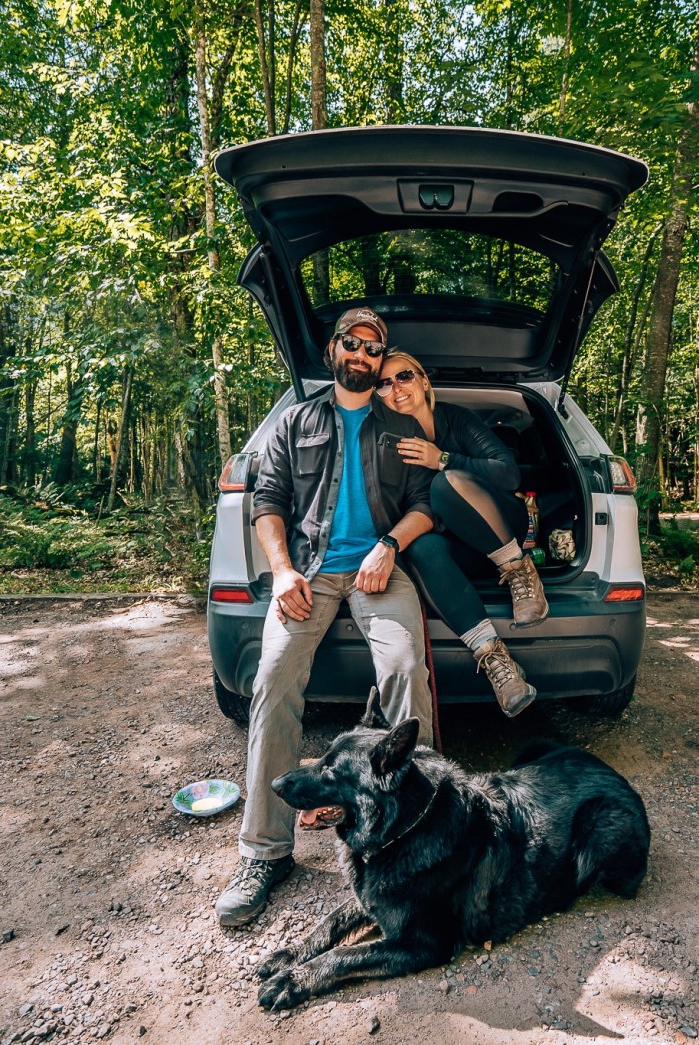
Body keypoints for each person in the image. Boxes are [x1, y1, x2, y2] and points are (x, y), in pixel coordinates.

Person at [215, 307, 436, 929]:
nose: (363, 355)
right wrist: (282, 570)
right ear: (333, 350)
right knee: (273, 677)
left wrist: (388, 545)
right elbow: (268, 504)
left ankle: (420, 834)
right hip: (308, 574)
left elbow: (423, 507)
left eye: (375, 348)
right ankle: (266, 852)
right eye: (353, 344)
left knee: (404, 669)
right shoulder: (294, 422)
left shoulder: (400, 428)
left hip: (380, 573)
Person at [374, 350, 547, 718]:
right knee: (422, 547)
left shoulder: (457, 419)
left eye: (403, 376)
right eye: (383, 383)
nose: (396, 388)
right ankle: (496, 662)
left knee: (445, 483)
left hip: (501, 531)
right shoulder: (384, 444)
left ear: (422, 380)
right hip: (460, 558)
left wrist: (443, 459)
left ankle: (520, 572)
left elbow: (509, 475)